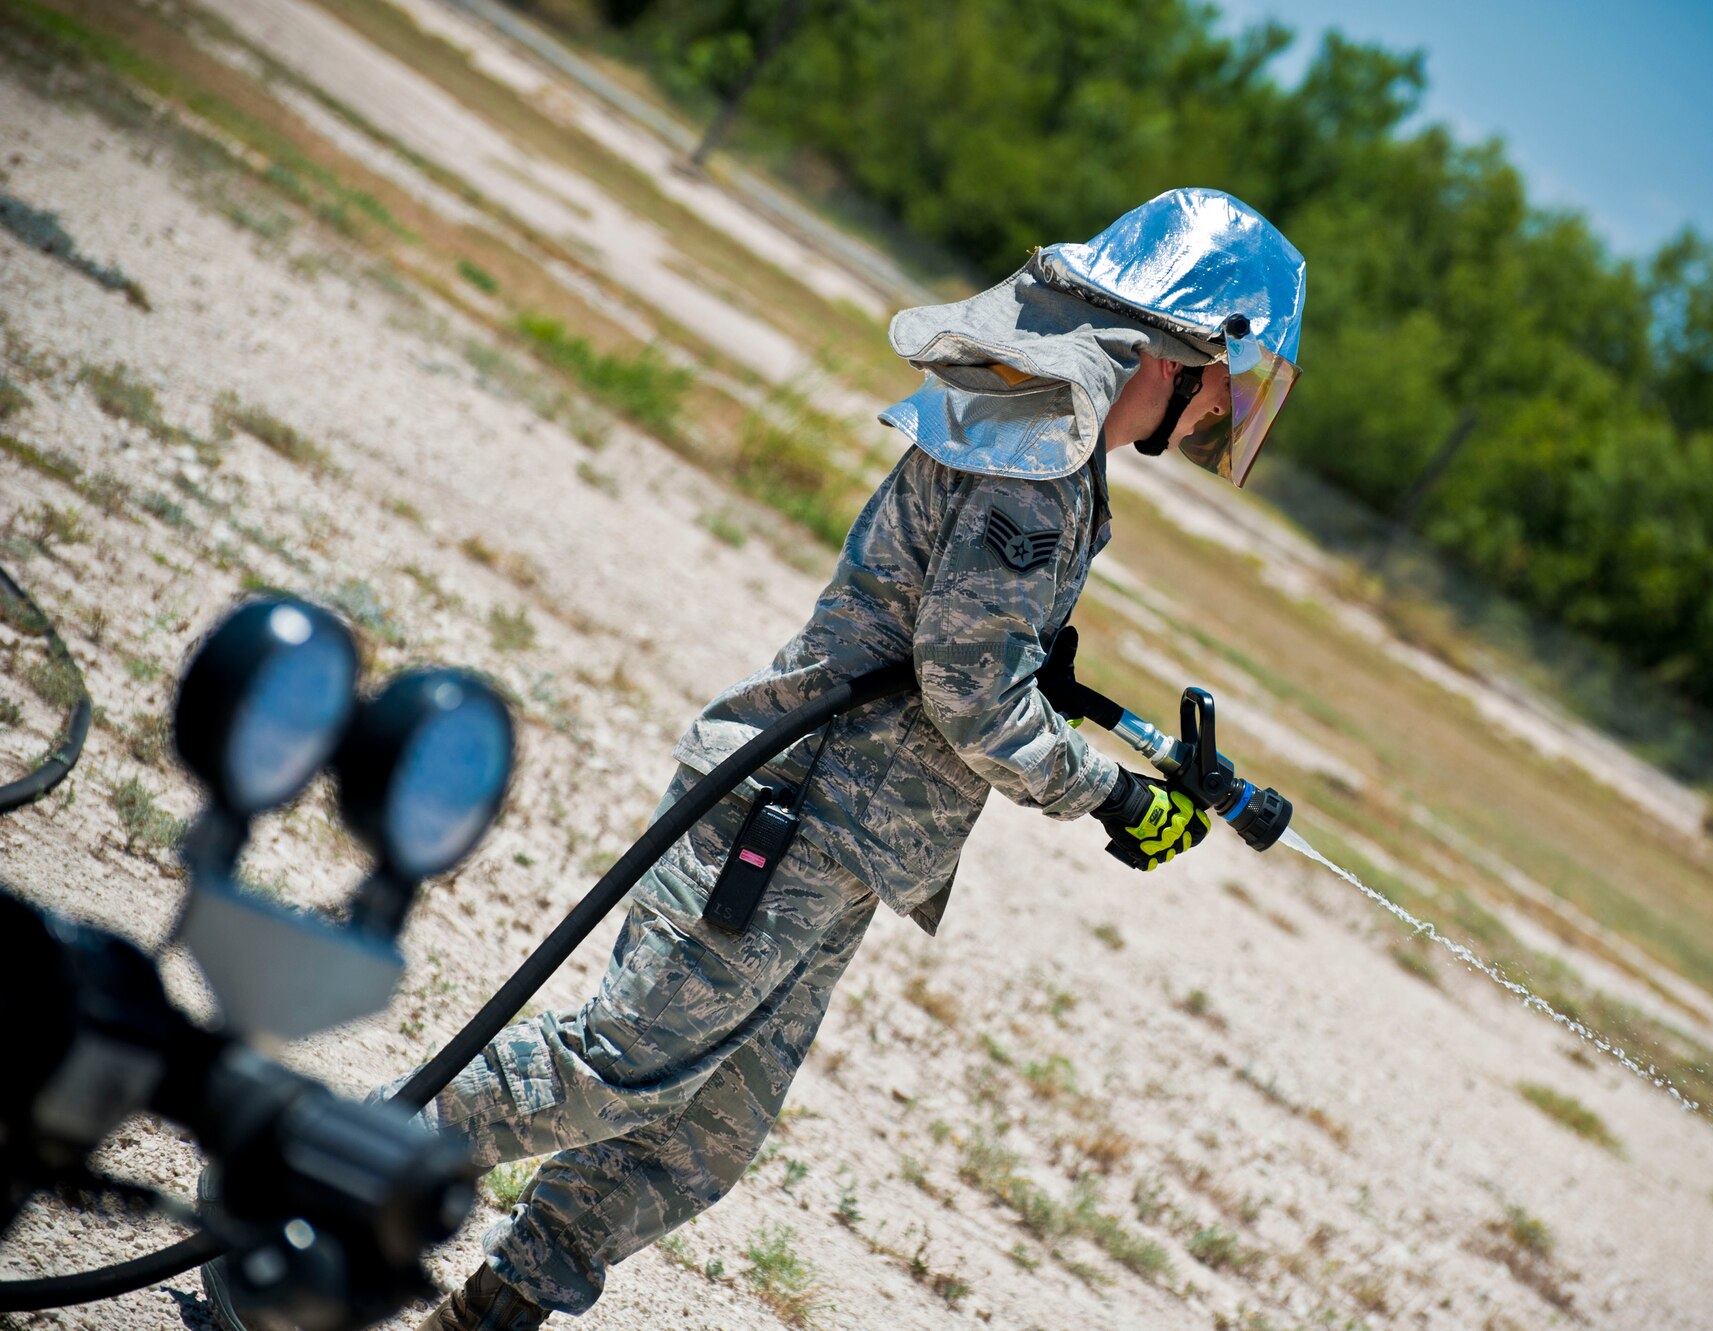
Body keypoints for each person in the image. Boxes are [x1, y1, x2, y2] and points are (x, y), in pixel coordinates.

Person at [408, 187, 1306, 1330]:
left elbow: (967, 641)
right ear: (1183, 349)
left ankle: (490, 1312)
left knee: (696, 1134)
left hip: (848, 842)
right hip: (794, 811)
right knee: (615, 1069)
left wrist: (1055, 685)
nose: (1223, 412)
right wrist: (1112, 796)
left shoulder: (1054, 430)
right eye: (1234, 379)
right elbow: (967, 686)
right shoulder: (1043, 448)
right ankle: (316, 1191)